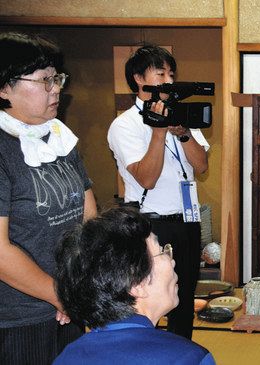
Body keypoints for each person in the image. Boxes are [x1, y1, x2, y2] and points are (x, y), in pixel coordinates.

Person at [0, 32, 97, 364]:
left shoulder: (59, 136)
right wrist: (59, 295)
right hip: (17, 316)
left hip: (68, 301)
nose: (56, 88)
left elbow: (88, 215)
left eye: (57, 78)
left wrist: (78, 286)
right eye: (44, 80)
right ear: (4, 88)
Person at [108, 45, 209, 339]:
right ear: (139, 78)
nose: (168, 78)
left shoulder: (180, 115)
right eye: (160, 72)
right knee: (143, 299)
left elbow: (200, 165)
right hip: (150, 224)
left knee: (183, 295)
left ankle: (179, 352)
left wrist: (184, 132)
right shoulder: (124, 125)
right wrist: (159, 130)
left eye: (171, 73)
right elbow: (146, 178)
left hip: (188, 219)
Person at [53, 207, 216, 365]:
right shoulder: (190, 358)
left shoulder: (66, 357)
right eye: (162, 251)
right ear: (137, 284)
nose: (172, 260)